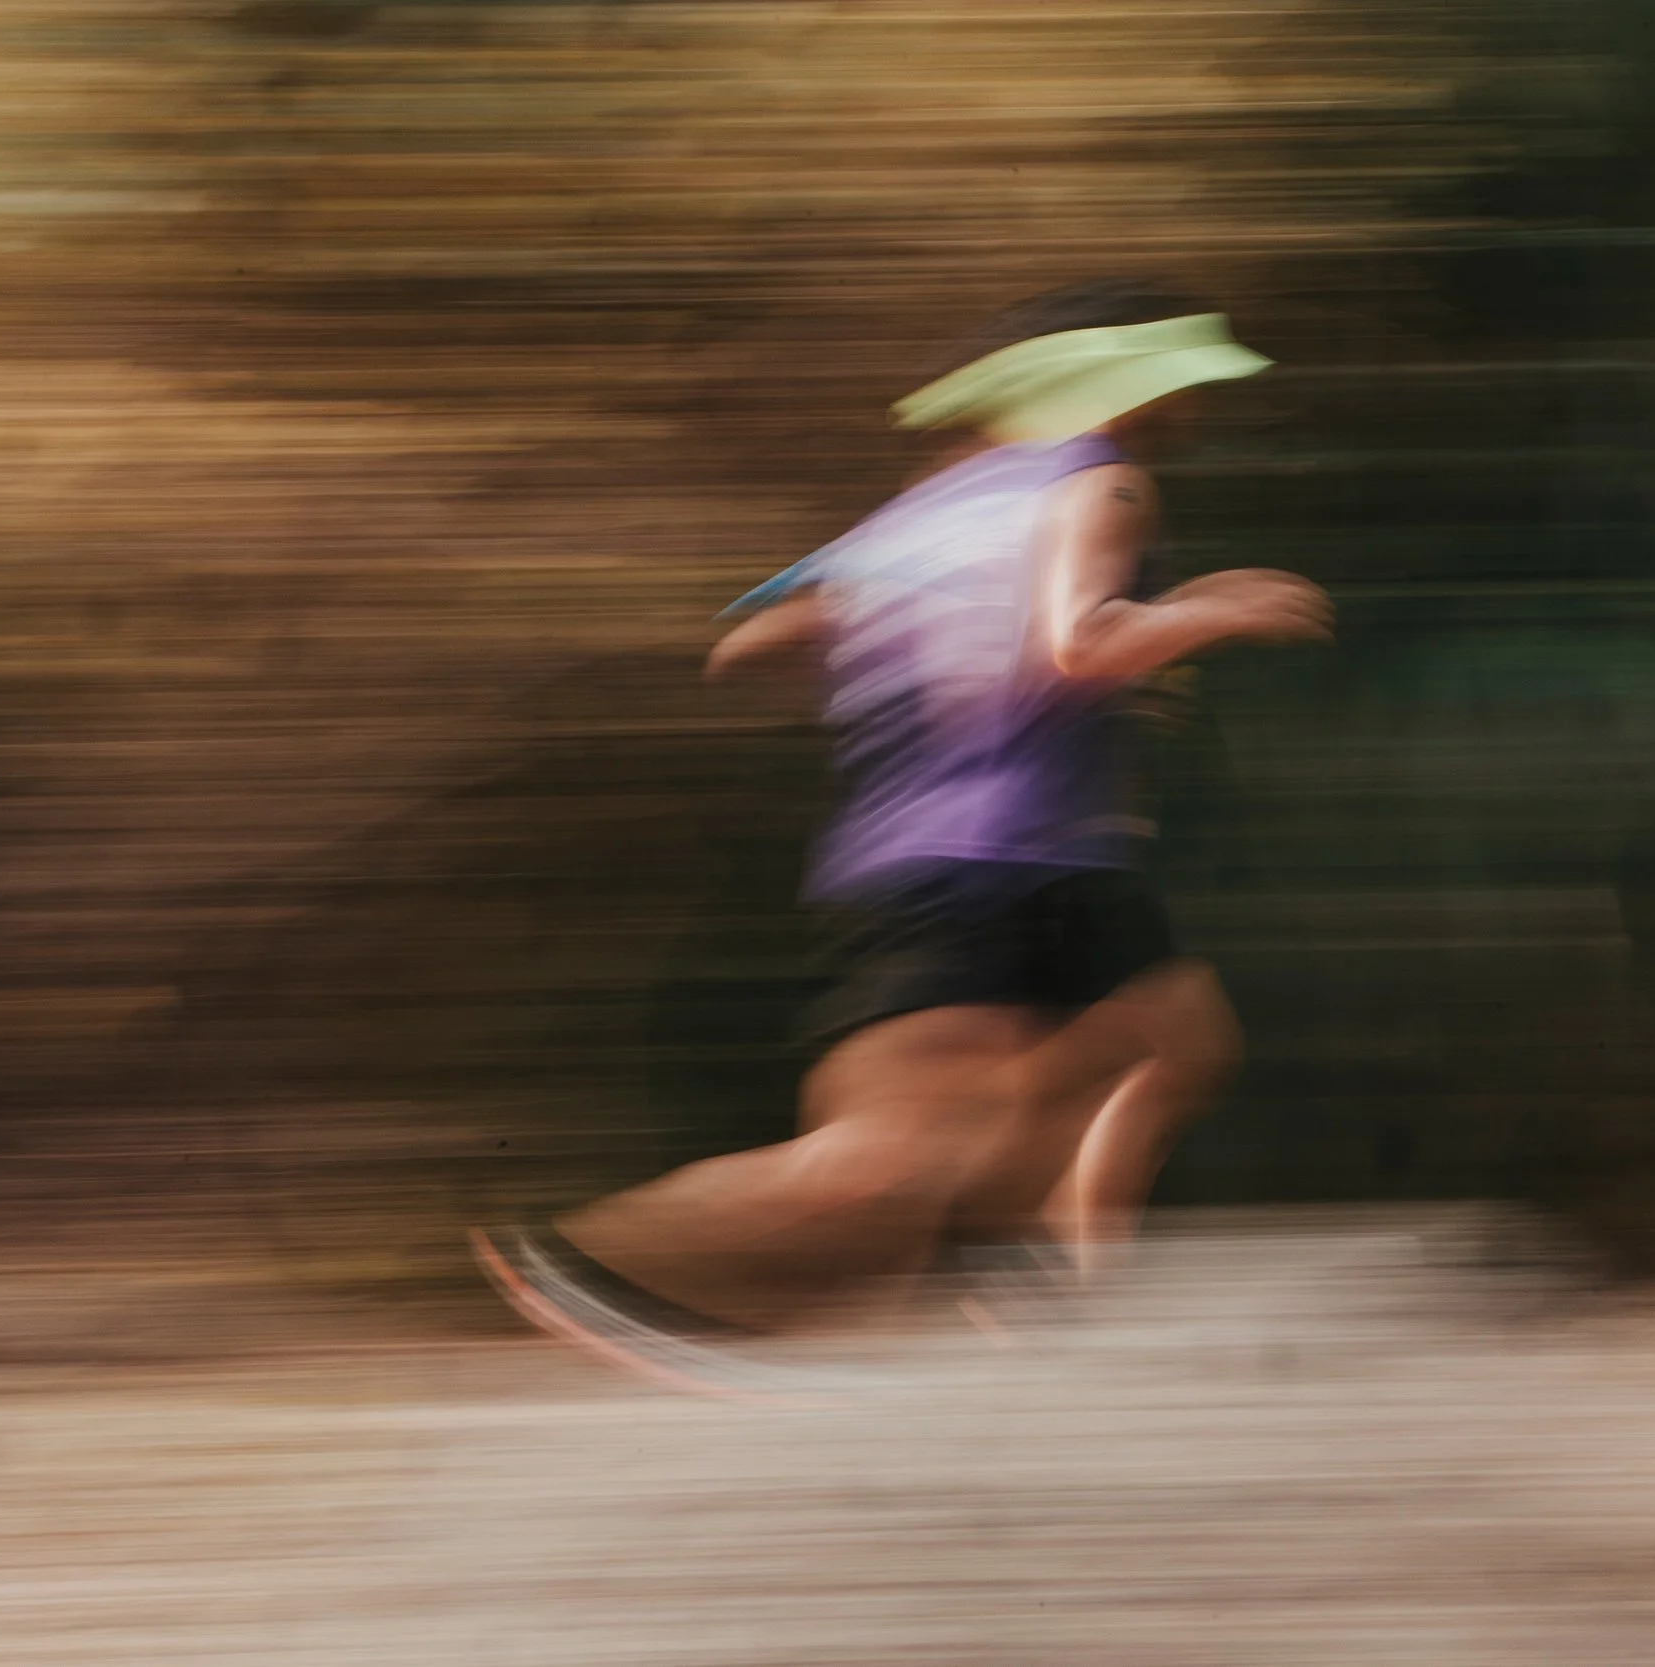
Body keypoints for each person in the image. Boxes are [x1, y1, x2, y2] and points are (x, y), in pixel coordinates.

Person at [471, 280, 1331, 1394]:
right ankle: (587, 1263)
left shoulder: (931, 506)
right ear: (1123, 384)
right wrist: (1218, 609)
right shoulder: (1101, 480)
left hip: (958, 852)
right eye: (1180, 381)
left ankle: (1036, 1292)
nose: (1192, 403)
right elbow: (1077, 642)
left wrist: (911, 661)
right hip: (1007, 853)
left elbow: (760, 631)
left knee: (1167, 1042)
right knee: (879, 1156)